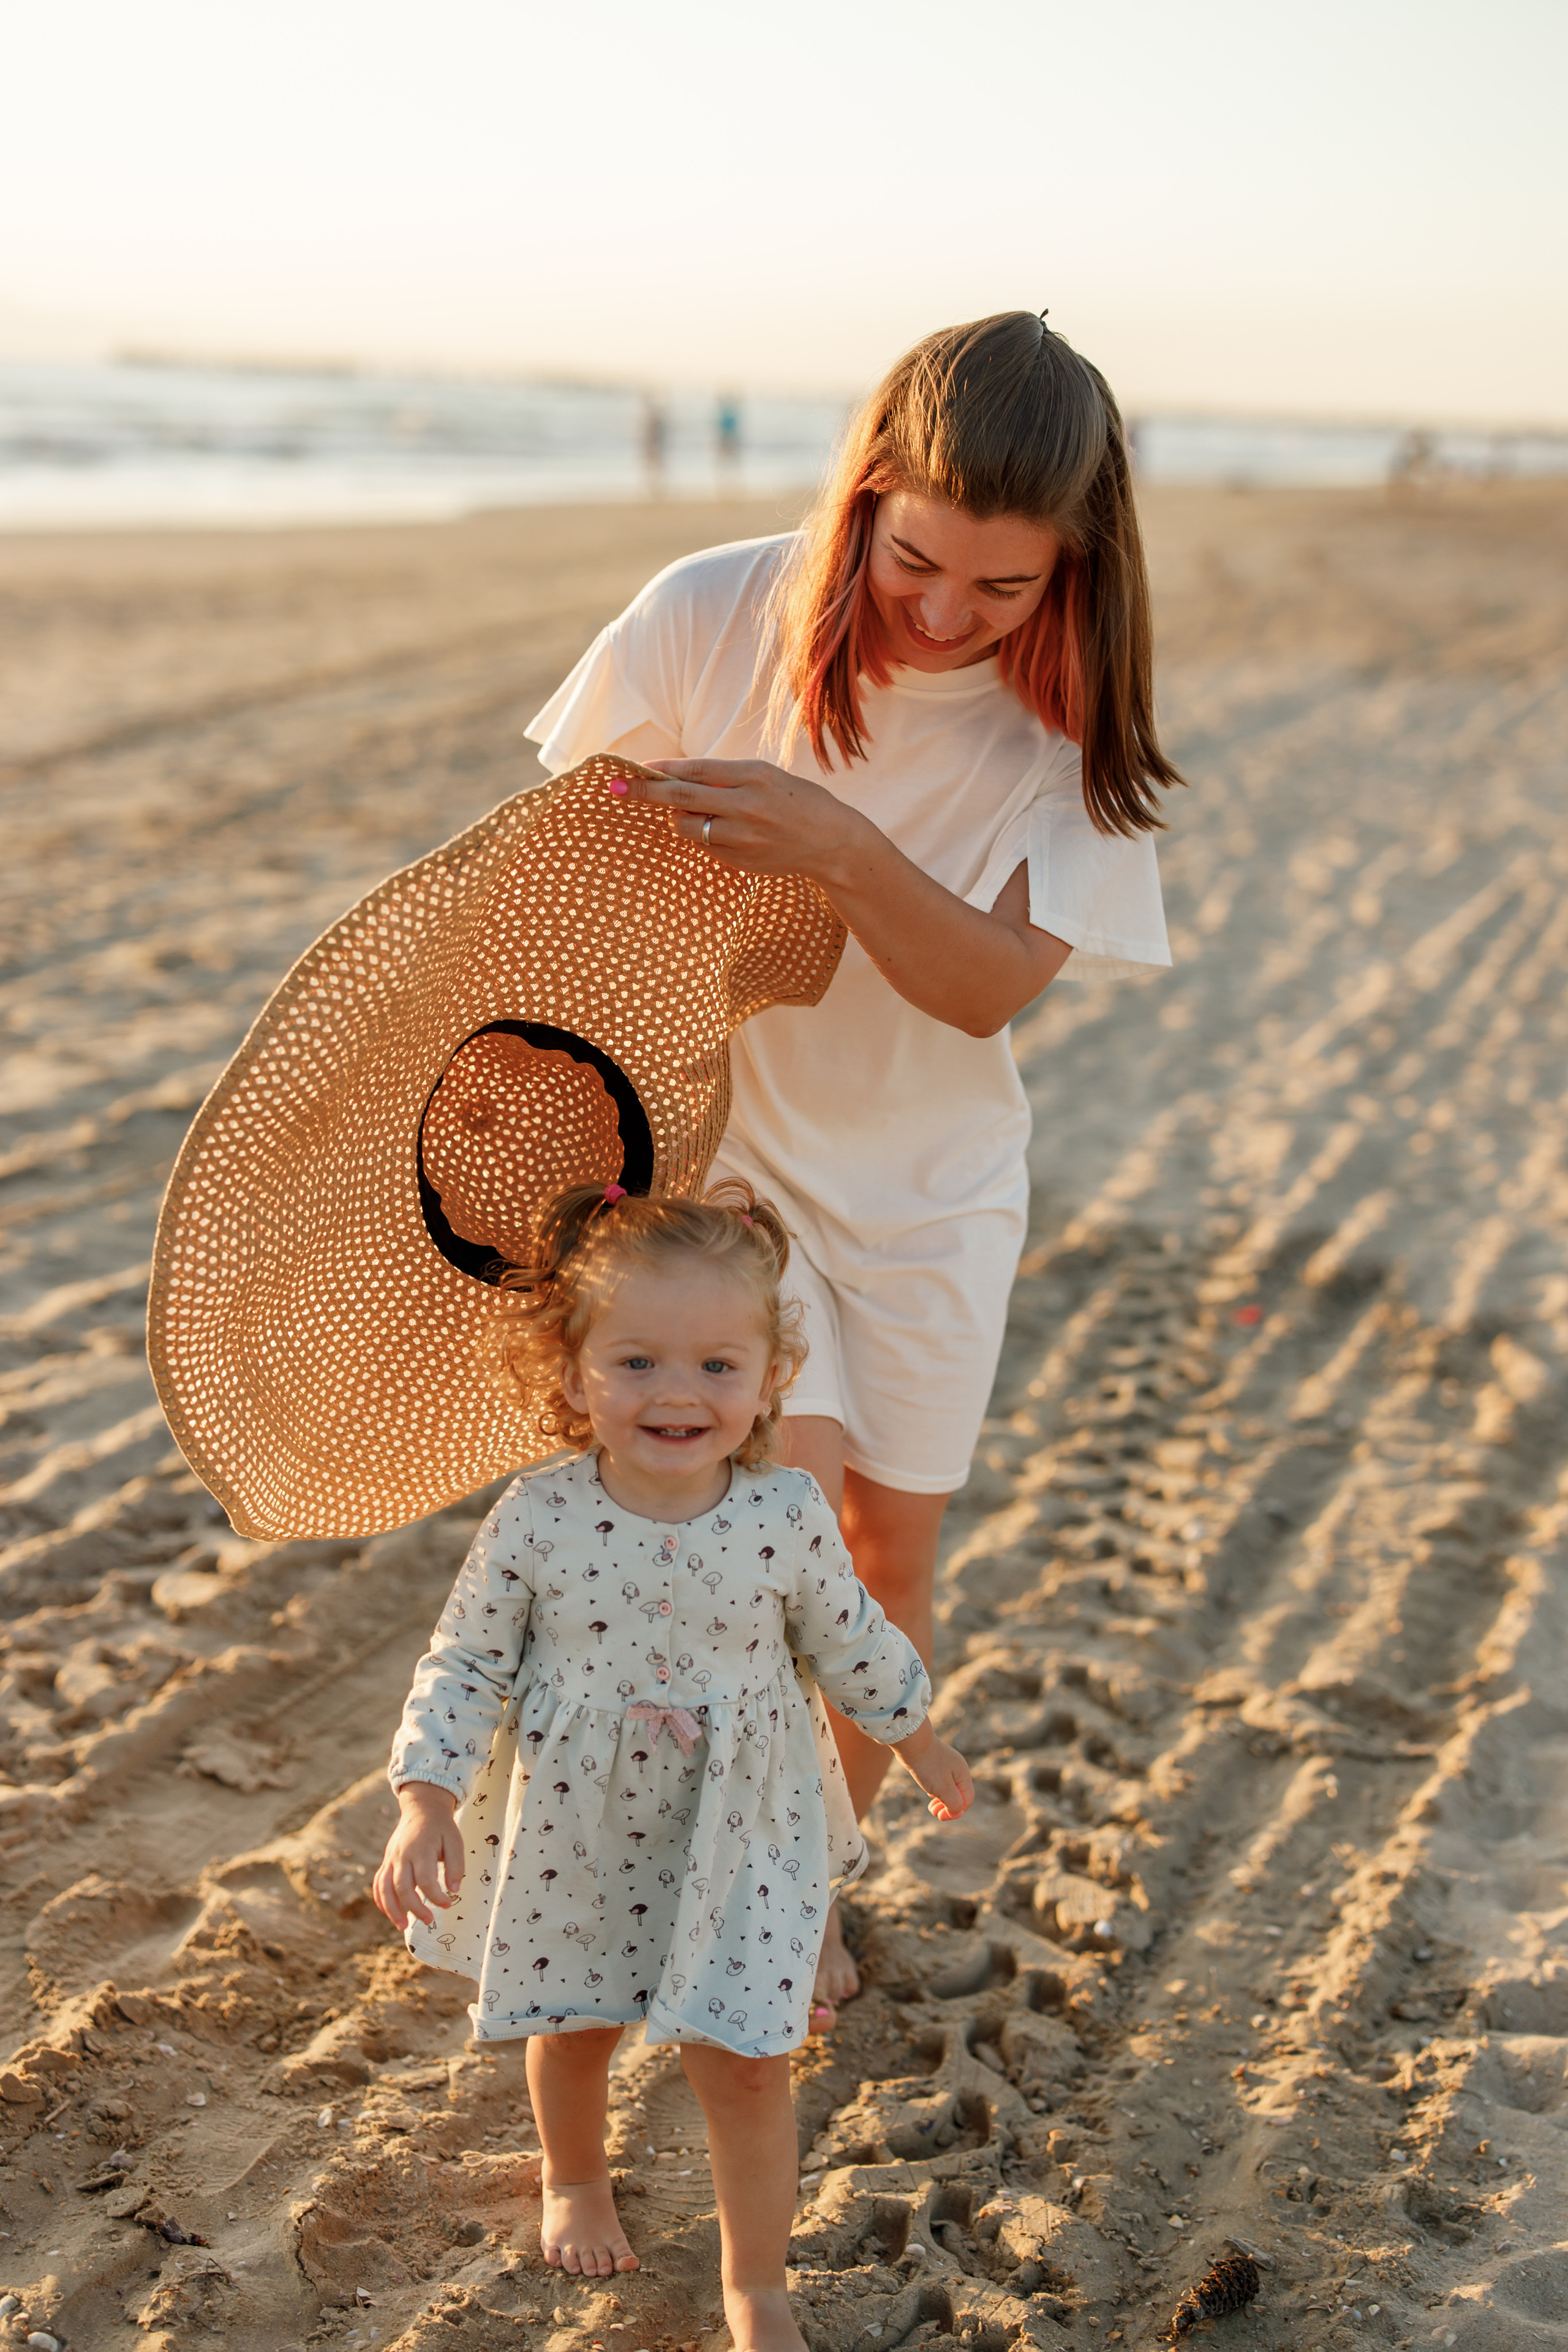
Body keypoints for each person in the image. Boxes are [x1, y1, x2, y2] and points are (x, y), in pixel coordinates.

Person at [525, 310, 1180, 2026]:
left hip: (936, 1178)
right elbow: (552, 889)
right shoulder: (708, 611)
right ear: (868, 488)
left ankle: (800, 1879)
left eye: (1006, 589)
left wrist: (841, 849)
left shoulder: (1072, 720)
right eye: (916, 563)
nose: (948, 617)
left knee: (887, 1566)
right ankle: (702, 1896)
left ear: (1079, 568)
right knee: (772, 1534)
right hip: (724, 1160)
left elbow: (978, 990)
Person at [374, 1182, 972, 2350]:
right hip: (577, 1823)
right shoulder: (537, 1521)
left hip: (741, 1821)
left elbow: (851, 1640)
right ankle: (575, 2177)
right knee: (578, 2020)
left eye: (716, 1364)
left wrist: (921, 1740)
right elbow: (465, 1662)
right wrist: (425, 1798)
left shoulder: (785, 1515)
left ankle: (757, 2283)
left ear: (767, 1378)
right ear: (572, 1371)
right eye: (638, 1362)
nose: (680, 1393)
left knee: (750, 2057)